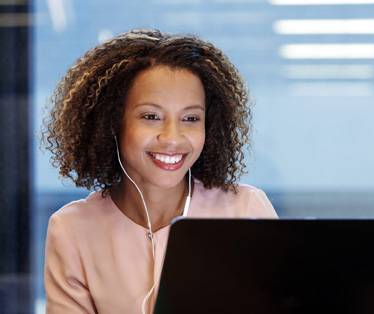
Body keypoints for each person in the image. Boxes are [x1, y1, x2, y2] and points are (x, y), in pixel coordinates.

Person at [43, 29, 277, 314]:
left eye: (191, 118)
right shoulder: (73, 228)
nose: (172, 138)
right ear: (112, 122)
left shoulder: (245, 210)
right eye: (151, 116)